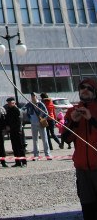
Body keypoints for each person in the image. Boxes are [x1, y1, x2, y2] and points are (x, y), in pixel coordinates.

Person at [63, 76, 97, 220]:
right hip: (82, 169)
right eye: (82, 88)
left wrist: (91, 119)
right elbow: (66, 139)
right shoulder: (72, 111)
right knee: (88, 208)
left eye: (89, 88)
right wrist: (74, 123)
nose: (85, 90)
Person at [25, 91, 52, 160]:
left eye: (34, 96)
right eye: (31, 96)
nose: (33, 97)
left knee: (44, 139)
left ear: (36, 96)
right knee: (35, 140)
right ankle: (36, 155)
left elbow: (46, 113)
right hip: (33, 124)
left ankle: (47, 154)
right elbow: (26, 112)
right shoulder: (29, 104)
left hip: (41, 123)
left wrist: (42, 119)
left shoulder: (40, 104)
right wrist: (30, 119)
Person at [5, 97, 27, 166]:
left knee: (20, 147)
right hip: (12, 131)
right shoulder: (9, 110)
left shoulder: (17, 110)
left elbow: (19, 121)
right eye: (8, 103)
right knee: (14, 147)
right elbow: (7, 120)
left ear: (14, 103)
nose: (9, 104)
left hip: (18, 131)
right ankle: (17, 162)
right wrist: (7, 126)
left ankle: (24, 162)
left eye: (11, 103)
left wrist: (13, 127)